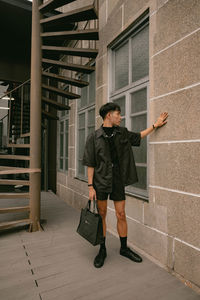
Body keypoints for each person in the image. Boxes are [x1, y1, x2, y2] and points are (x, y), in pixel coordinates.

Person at [82, 102, 168, 268]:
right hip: (100, 181)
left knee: (121, 214)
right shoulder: (94, 137)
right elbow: (90, 163)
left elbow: (138, 136)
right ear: (109, 115)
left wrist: (155, 125)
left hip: (118, 180)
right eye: (118, 114)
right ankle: (102, 249)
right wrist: (90, 186)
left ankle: (123, 248)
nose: (120, 117)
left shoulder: (122, 133)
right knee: (102, 214)